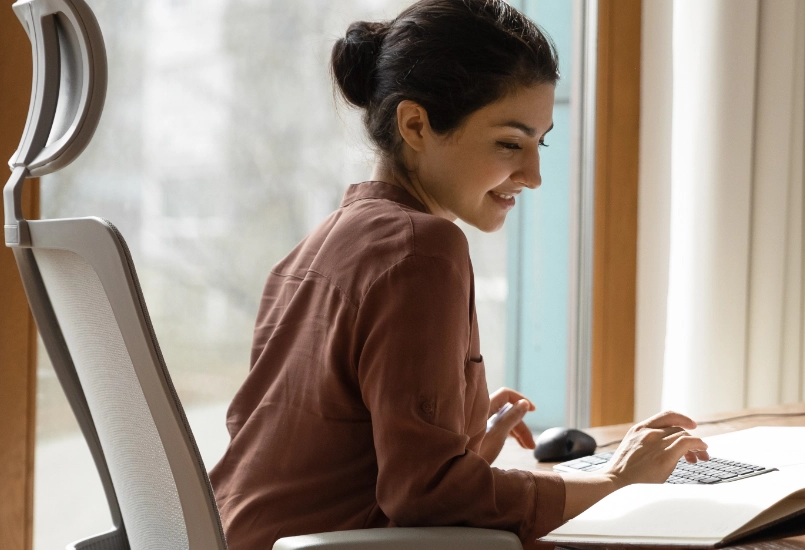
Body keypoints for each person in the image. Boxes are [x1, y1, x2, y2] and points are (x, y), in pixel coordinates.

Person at [206, 1, 708, 548]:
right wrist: (617, 483)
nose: (534, 176)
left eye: (540, 143)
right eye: (509, 144)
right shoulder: (423, 247)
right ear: (416, 124)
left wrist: (462, 436)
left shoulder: (318, 246)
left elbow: (311, 447)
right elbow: (426, 494)